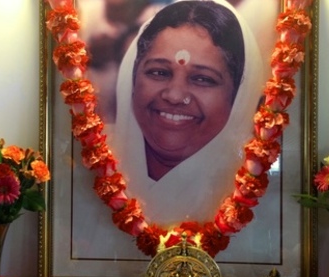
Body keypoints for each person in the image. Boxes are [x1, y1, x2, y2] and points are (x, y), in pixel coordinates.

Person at [111, 0, 266, 225]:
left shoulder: (258, 196)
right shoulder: (88, 167)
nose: (174, 95)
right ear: (133, 79)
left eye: (202, 78)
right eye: (159, 72)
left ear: (239, 96)